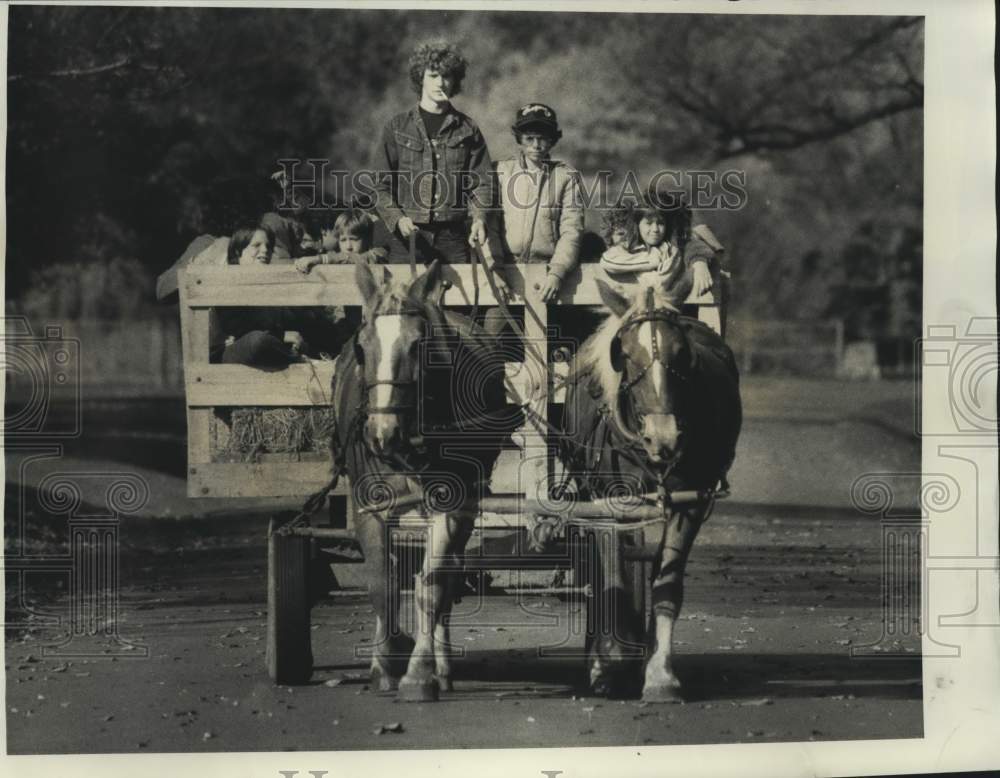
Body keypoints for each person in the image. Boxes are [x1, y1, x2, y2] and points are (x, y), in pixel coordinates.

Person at [370, 41, 493, 265]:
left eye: (447, 76)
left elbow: (482, 183)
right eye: (433, 75)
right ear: (421, 77)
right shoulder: (396, 127)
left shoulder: (468, 129)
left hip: (454, 238)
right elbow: (379, 184)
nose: (441, 83)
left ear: (455, 80)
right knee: (404, 299)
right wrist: (397, 219)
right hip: (407, 238)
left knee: (459, 300)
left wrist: (479, 219)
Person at [599, 193, 720, 308]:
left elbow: (693, 245)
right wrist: (652, 260)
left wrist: (700, 263)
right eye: (649, 223)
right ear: (638, 224)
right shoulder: (632, 248)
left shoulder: (672, 246)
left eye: (660, 223)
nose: (655, 229)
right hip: (639, 311)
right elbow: (608, 260)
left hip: (671, 310)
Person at [294, 208, 391, 273]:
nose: (348, 246)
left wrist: (318, 259)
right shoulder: (336, 255)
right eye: (343, 240)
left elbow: (352, 259)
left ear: (367, 239)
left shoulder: (377, 254)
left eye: (354, 239)